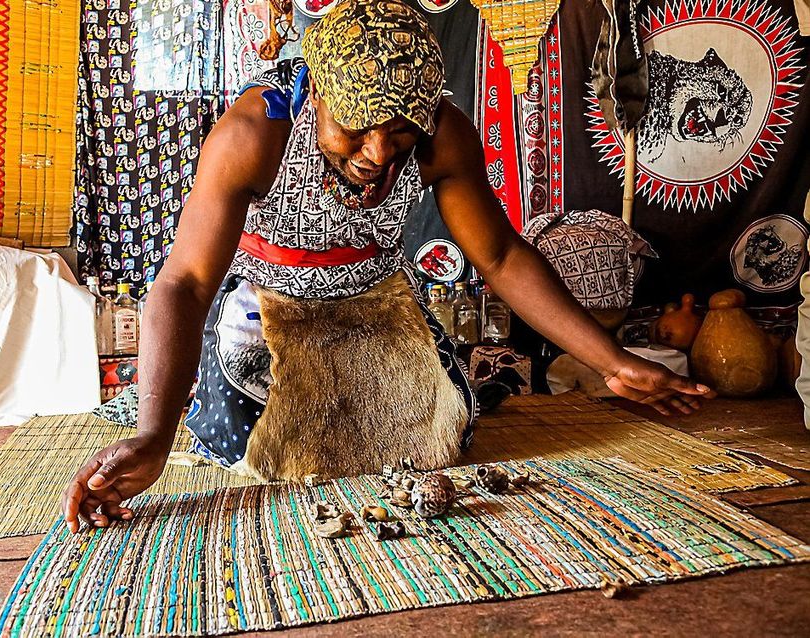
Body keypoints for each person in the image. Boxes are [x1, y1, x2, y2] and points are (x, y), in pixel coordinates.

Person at [63, 0, 713, 532]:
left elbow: (501, 255)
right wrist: (153, 435)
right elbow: (185, 281)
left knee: (440, 443)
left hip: (374, 301)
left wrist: (612, 361)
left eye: (401, 129)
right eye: (360, 125)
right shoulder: (255, 131)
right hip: (266, 303)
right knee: (254, 446)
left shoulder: (441, 132)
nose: (379, 153)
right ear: (314, 93)